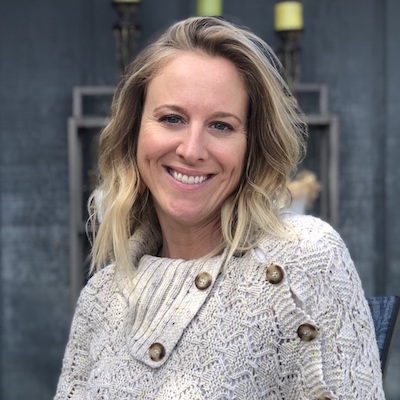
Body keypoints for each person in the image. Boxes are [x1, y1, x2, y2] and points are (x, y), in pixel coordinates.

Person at [54, 16, 385, 399]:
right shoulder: (100, 297)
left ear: (251, 149)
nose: (192, 150)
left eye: (222, 126)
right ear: (134, 134)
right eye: (172, 118)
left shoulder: (303, 258)